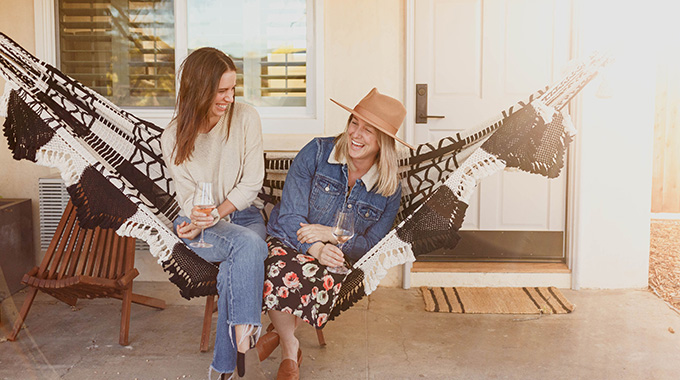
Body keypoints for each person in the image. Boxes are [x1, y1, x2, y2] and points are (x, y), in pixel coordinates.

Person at [256, 88, 412, 380]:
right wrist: (315, 248)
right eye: (354, 122)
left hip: (338, 255)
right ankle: (290, 348)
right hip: (289, 239)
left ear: (384, 142)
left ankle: (279, 330)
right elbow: (289, 217)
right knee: (277, 267)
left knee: (323, 274)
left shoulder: (389, 189)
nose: (356, 134)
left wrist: (332, 234)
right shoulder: (316, 152)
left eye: (369, 130)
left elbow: (369, 248)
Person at [160, 47, 268, 379]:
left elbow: (252, 182)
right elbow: (190, 197)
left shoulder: (246, 118)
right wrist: (198, 220)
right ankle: (245, 329)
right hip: (198, 225)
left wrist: (218, 212)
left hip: (244, 216)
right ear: (199, 89)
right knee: (249, 247)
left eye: (233, 89)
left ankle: (222, 367)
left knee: (240, 255)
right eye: (221, 90)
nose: (229, 98)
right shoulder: (173, 137)